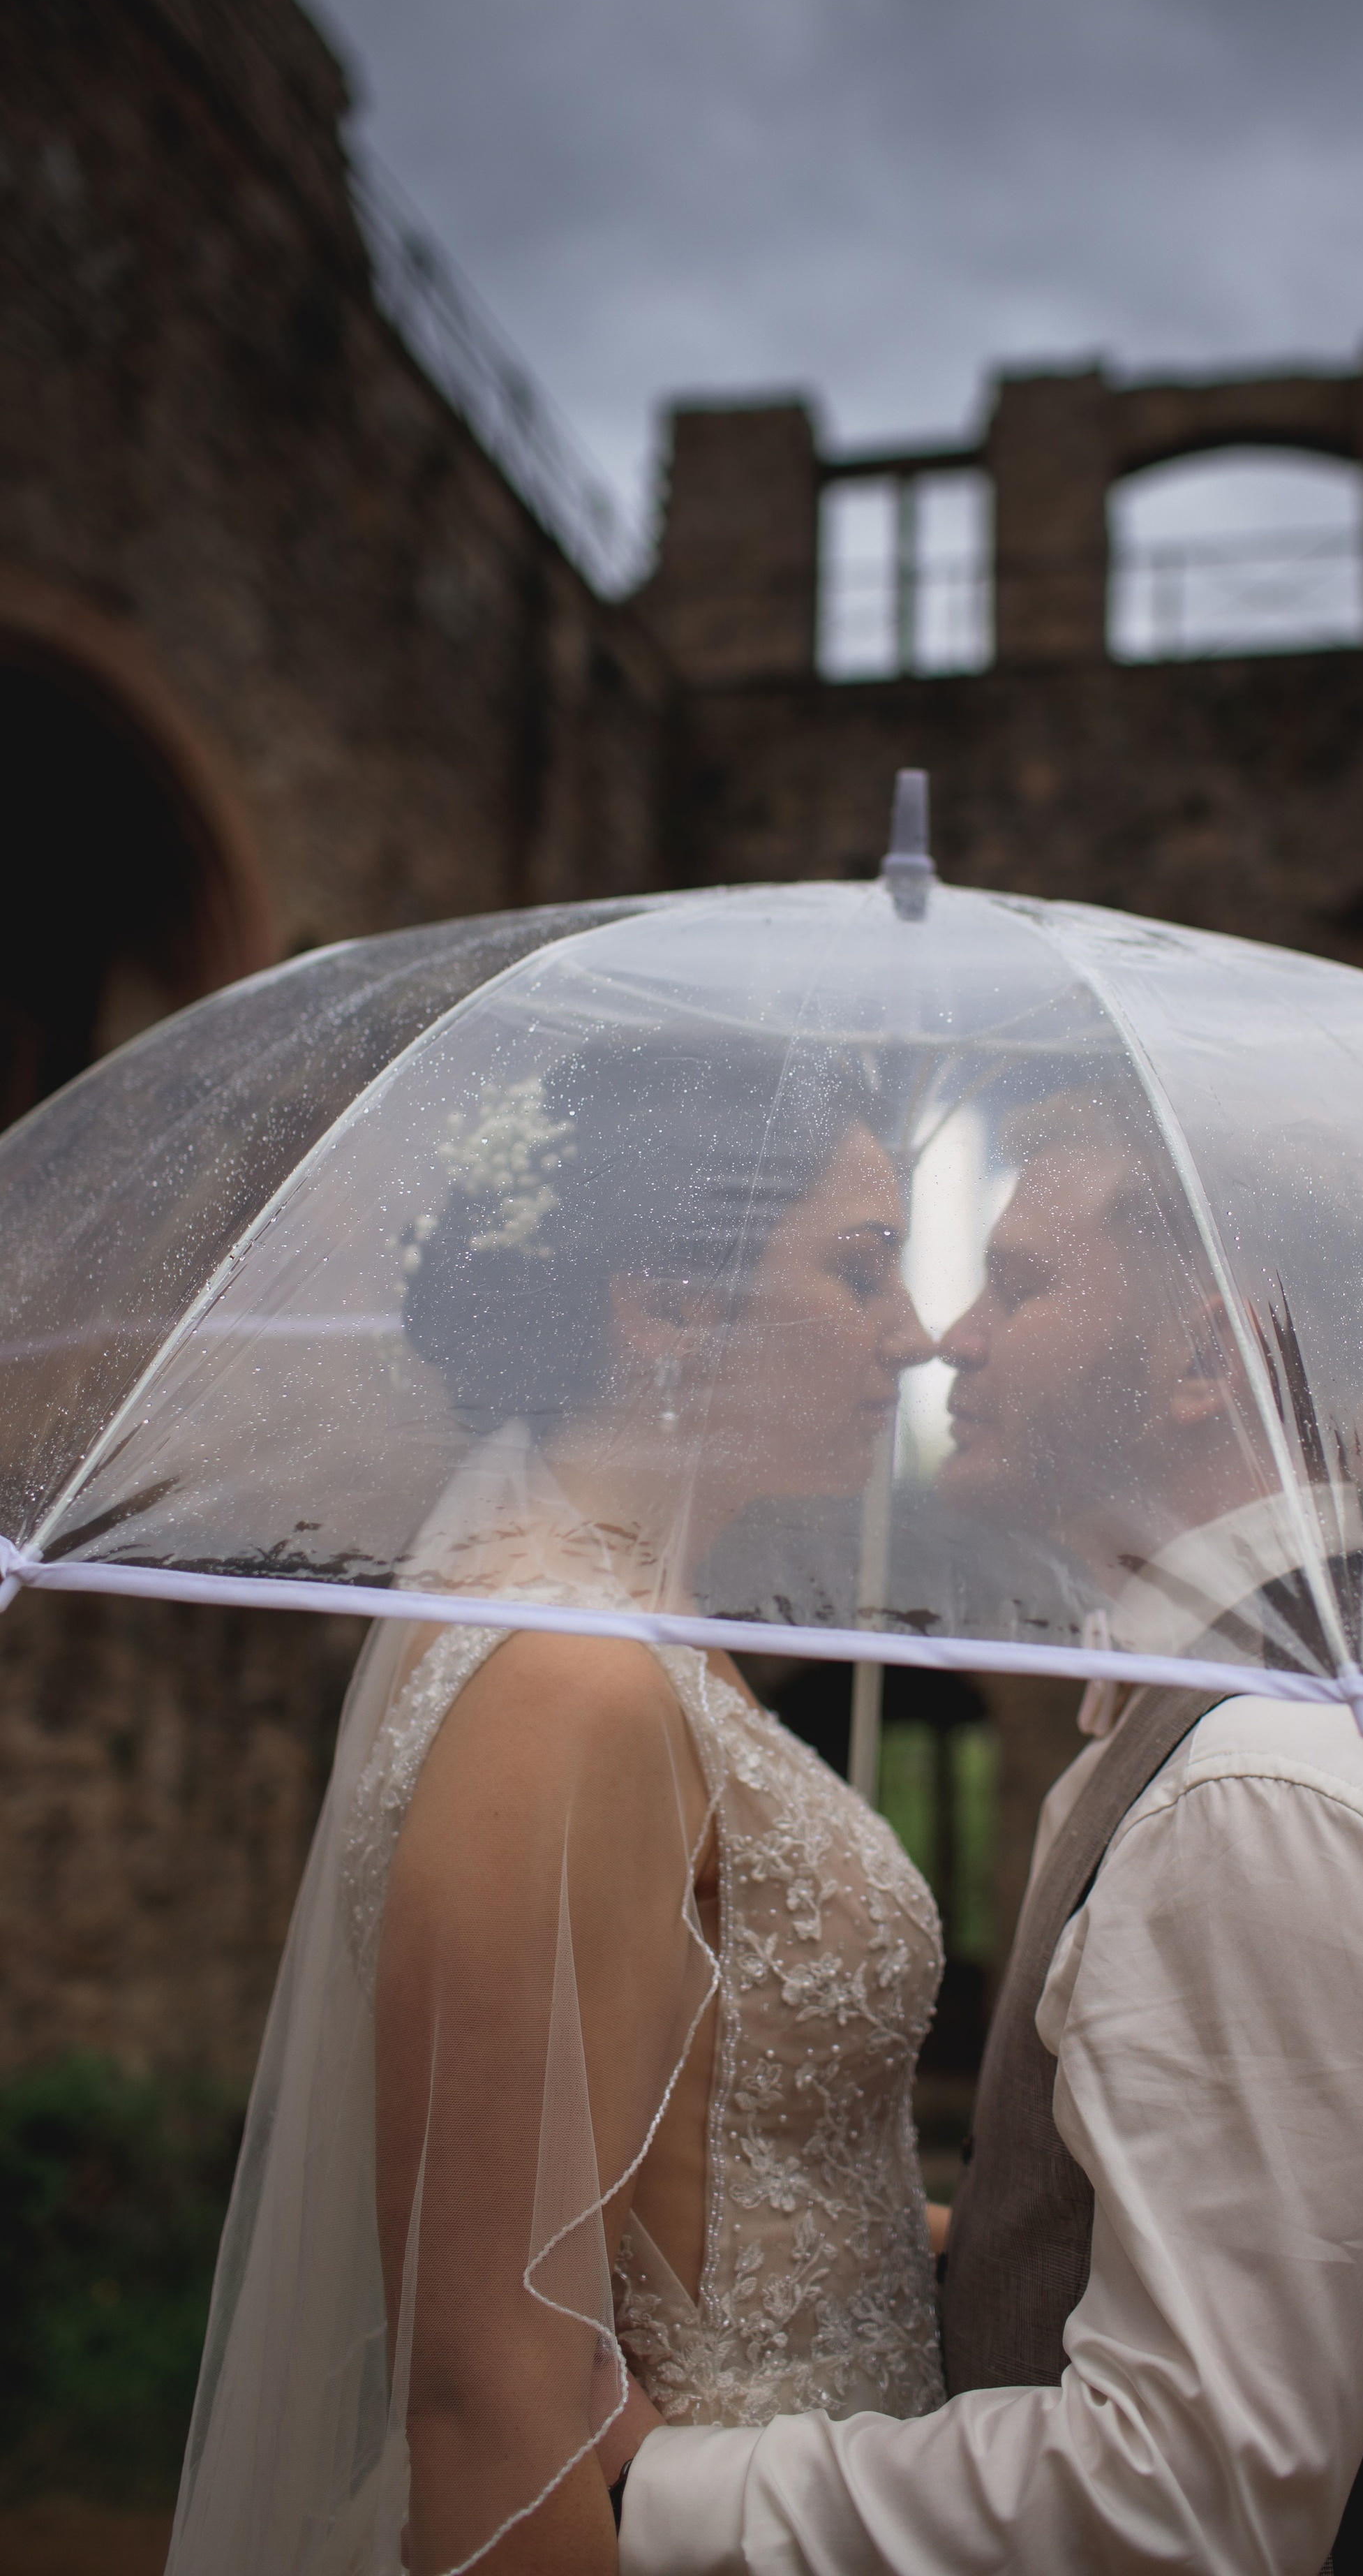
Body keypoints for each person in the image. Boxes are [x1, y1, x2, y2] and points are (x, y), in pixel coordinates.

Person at [604, 1090, 1363, 2575]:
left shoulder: (1267, 1798)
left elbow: (1179, 2504)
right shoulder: (1198, 1722)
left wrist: (662, 2496)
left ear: (1205, 1356)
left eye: (1017, 1284)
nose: (949, 1336)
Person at [166, 1037, 948, 2576]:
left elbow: (722, 2174)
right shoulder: (568, 1687)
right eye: (860, 1273)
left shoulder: (639, 1627)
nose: (913, 1336)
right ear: (660, 1302)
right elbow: (483, 2395)